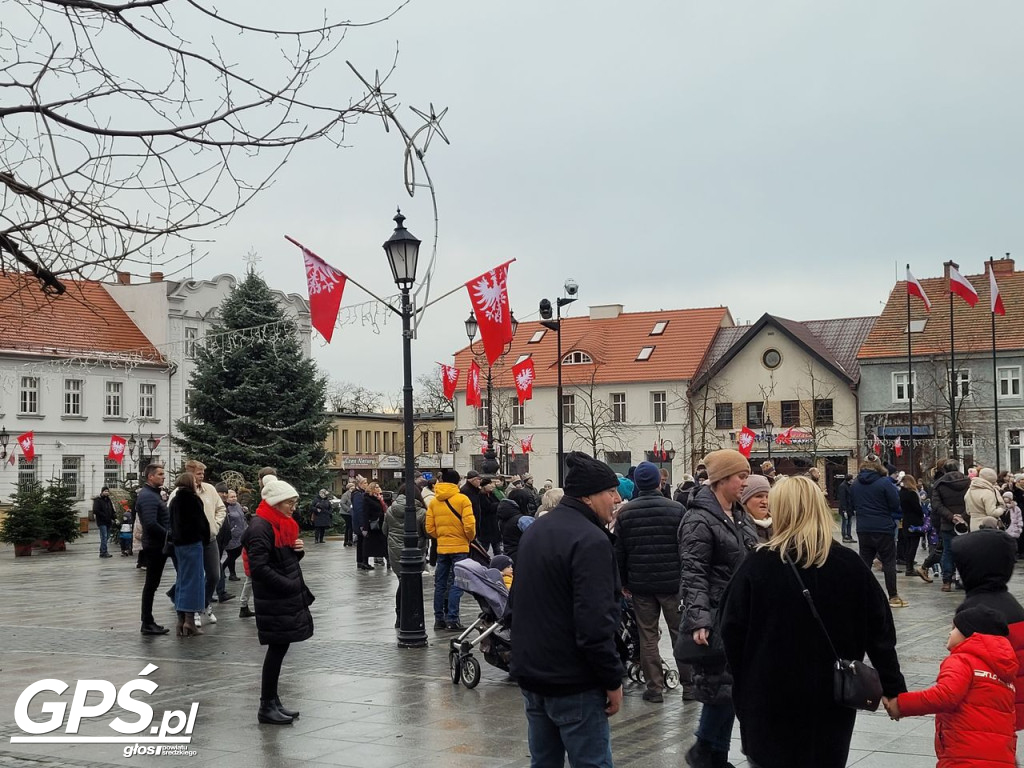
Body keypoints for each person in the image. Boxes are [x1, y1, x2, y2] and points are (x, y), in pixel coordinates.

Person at [720, 475, 906, 768]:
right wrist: (894, 688)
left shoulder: (757, 566)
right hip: (830, 699)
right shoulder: (850, 566)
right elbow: (880, 632)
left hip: (768, 698)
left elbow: (730, 632)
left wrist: (742, 685)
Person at [510, 451, 624, 768]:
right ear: (588, 496)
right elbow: (595, 624)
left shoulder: (536, 531)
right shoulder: (591, 540)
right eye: (610, 491)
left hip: (534, 675)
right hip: (574, 681)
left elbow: (515, 604)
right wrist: (613, 679)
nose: (617, 499)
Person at [678, 449, 758, 768]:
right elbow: (693, 571)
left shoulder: (737, 514)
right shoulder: (698, 518)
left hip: (738, 614)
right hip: (714, 612)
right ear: (722, 479)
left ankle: (713, 754)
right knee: (722, 685)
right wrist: (700, 619)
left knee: (730, 686)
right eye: (741, 476)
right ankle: (704, 750)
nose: (745, 482)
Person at [888, 606, 1017, 767]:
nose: (950, 633)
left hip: (963, 756)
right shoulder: (1005, 673)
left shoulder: (963, 660)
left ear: (970, 633)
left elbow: (944, 696)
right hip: (1002, 760)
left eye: (955, 628)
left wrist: (900, 705)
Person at [242, 475, 314, 725]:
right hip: (275, 598)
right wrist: (288, 585)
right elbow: (259, 566)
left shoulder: (280, 524)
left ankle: (273, 701)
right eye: (289, 502)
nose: (293, 506)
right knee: (276, 650)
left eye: (294, 501)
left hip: (281, 597)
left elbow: (281, 560)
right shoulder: (261, 527)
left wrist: (298, 551)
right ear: (275, 502)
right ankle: (266, 706)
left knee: (280, 649)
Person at [614, 461, 687, 703]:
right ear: (658, 482)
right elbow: (685, 548)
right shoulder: (676, 509)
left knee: (647, 636)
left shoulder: (625, 513)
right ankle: (690, 685)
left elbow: (620, 552)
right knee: (679, 633)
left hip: (641, 584)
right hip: (672, 583)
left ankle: (654, 687)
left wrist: (624, 582)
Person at [951, 528, 1024, 729]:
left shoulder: (975, 611)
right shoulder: (1012, 605)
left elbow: (963, 666)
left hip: (986, 707)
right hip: (1012, 699)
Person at [849, 458, 908, 608]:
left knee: (864, 562)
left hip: (863, 528)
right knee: (888, 561)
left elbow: (852, 504)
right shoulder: (884, 483)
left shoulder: (855, 484)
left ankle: (859, 594)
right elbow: (895, 504)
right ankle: (893, 596)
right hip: (883, 527)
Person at [425, 468, 475, 630]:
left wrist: (441, 536)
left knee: (440, 584)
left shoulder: (434, 501)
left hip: (442, 547)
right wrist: (468, 538)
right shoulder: (462, 500)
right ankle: (453, 618)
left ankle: (439, 619)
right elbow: (470, 526)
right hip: (460, 546)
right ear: (457, 482)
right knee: (457, 582)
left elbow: (429, 528)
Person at [169, 472, 210, 637]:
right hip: (193, 543)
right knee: (195, 581)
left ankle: (180, 621)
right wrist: (205, 539)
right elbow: (202, 523)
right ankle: (189, 621)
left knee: (182, 579)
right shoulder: (193, 499)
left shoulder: (174, 501)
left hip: (179, 544)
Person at [382, 486, 427, 628]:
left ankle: (400, 615)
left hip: (395, 550)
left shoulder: (390, 510)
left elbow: (385, 530)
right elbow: (427, 532)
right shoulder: (421, 512)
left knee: (402, 581)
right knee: (411, 583)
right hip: (415, 551)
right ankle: (410, 615)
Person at [137, 464, 171, 635]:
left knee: (152, 584)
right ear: (150, 477)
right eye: (160, 474)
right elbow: (150, 523)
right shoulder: (148, 496)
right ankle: (147, 622)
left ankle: (148, 621)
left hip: (157, 544)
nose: (163, 477)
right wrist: (168, 535)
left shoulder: (152, 494)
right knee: (151, 584)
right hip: (155, 546)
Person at [932, 460, 971, 591]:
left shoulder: (939, 484)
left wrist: (951, 516)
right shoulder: (968, 482)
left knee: (948, 551)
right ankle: (964, 579)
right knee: (966, 551)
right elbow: (972, 501)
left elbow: (937, 505)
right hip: (965, 523)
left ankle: (947, 581)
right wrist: (963, 516)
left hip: (947, 523)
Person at [898, 475, 930, 583]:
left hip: (906, 520)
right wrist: (923, 513)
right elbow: (917, 508)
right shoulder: (912, 494)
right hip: (915, 521)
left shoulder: (901, 493)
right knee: (913, 545)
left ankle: (908, 566)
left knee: (908, 545)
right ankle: (910, 568)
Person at [497, 489, 533, 563]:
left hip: (508, 554)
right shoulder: (523, 520)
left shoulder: (502, 519)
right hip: (524, 556)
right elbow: (536, 537)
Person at [359, 482, 388, 570]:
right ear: (372, 489)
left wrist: (381, 500)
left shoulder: (379, 498)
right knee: (368, 544)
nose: (379, 488)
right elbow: (365, 513)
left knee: (383, 543)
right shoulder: (367, 499)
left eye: (379, 487)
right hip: (372, 525)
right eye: (376, 487)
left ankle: (387, 559)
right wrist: (365, 528)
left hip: (381, 525)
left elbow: (385, 509)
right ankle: (365, 562)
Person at [222, 489, 247, 581]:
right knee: (232, 555)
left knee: (235, 554)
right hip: (231, 535)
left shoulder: (238, 505)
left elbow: (240, 516)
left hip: (240, 533)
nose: (234, 498)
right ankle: (232, 574)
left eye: (235, 496)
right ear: (227, 498)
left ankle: (222, 569)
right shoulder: (225, 508)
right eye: (231, 497)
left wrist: (244, 511)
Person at [740, 474, 772, 543]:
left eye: (767, 497)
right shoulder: (739, 529)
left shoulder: (779, 526)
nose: (765, 501)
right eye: (759, 496)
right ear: (745, 500)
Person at [92, 487, 115, 558]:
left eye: (107, 491)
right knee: (104, 536)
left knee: (107, 536)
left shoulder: (108, 500)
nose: (106, 492)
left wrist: (114, 517)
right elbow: (95, 510)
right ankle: (104, 552)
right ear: (102, 492)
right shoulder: (98, 500)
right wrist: (104, 515)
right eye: (105, 491)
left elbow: (112, 510)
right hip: (102, 521)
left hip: (108, 521)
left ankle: (102, 550)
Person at [837, 474, 854, 543]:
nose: (852, 480)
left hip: (850, 508)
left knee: (849, 523)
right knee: (845, 522)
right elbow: (843, 499)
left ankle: (849, 535)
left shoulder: (849, 486)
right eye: (851, 479)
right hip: (845, 508)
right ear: (849, 479)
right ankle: (844, 536)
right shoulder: (843, 486)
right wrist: (844, 510)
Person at [339, 481, 355, 547]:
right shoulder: (346, 495)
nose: (353, 488)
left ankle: (347, 540)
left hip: (351, 512)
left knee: (349, 527)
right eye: (352, 487)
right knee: (349, 526)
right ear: (349, 488)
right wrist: (348, 509)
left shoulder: (354, 494)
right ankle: (348, 540)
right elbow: (342, 503)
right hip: (345, 513)